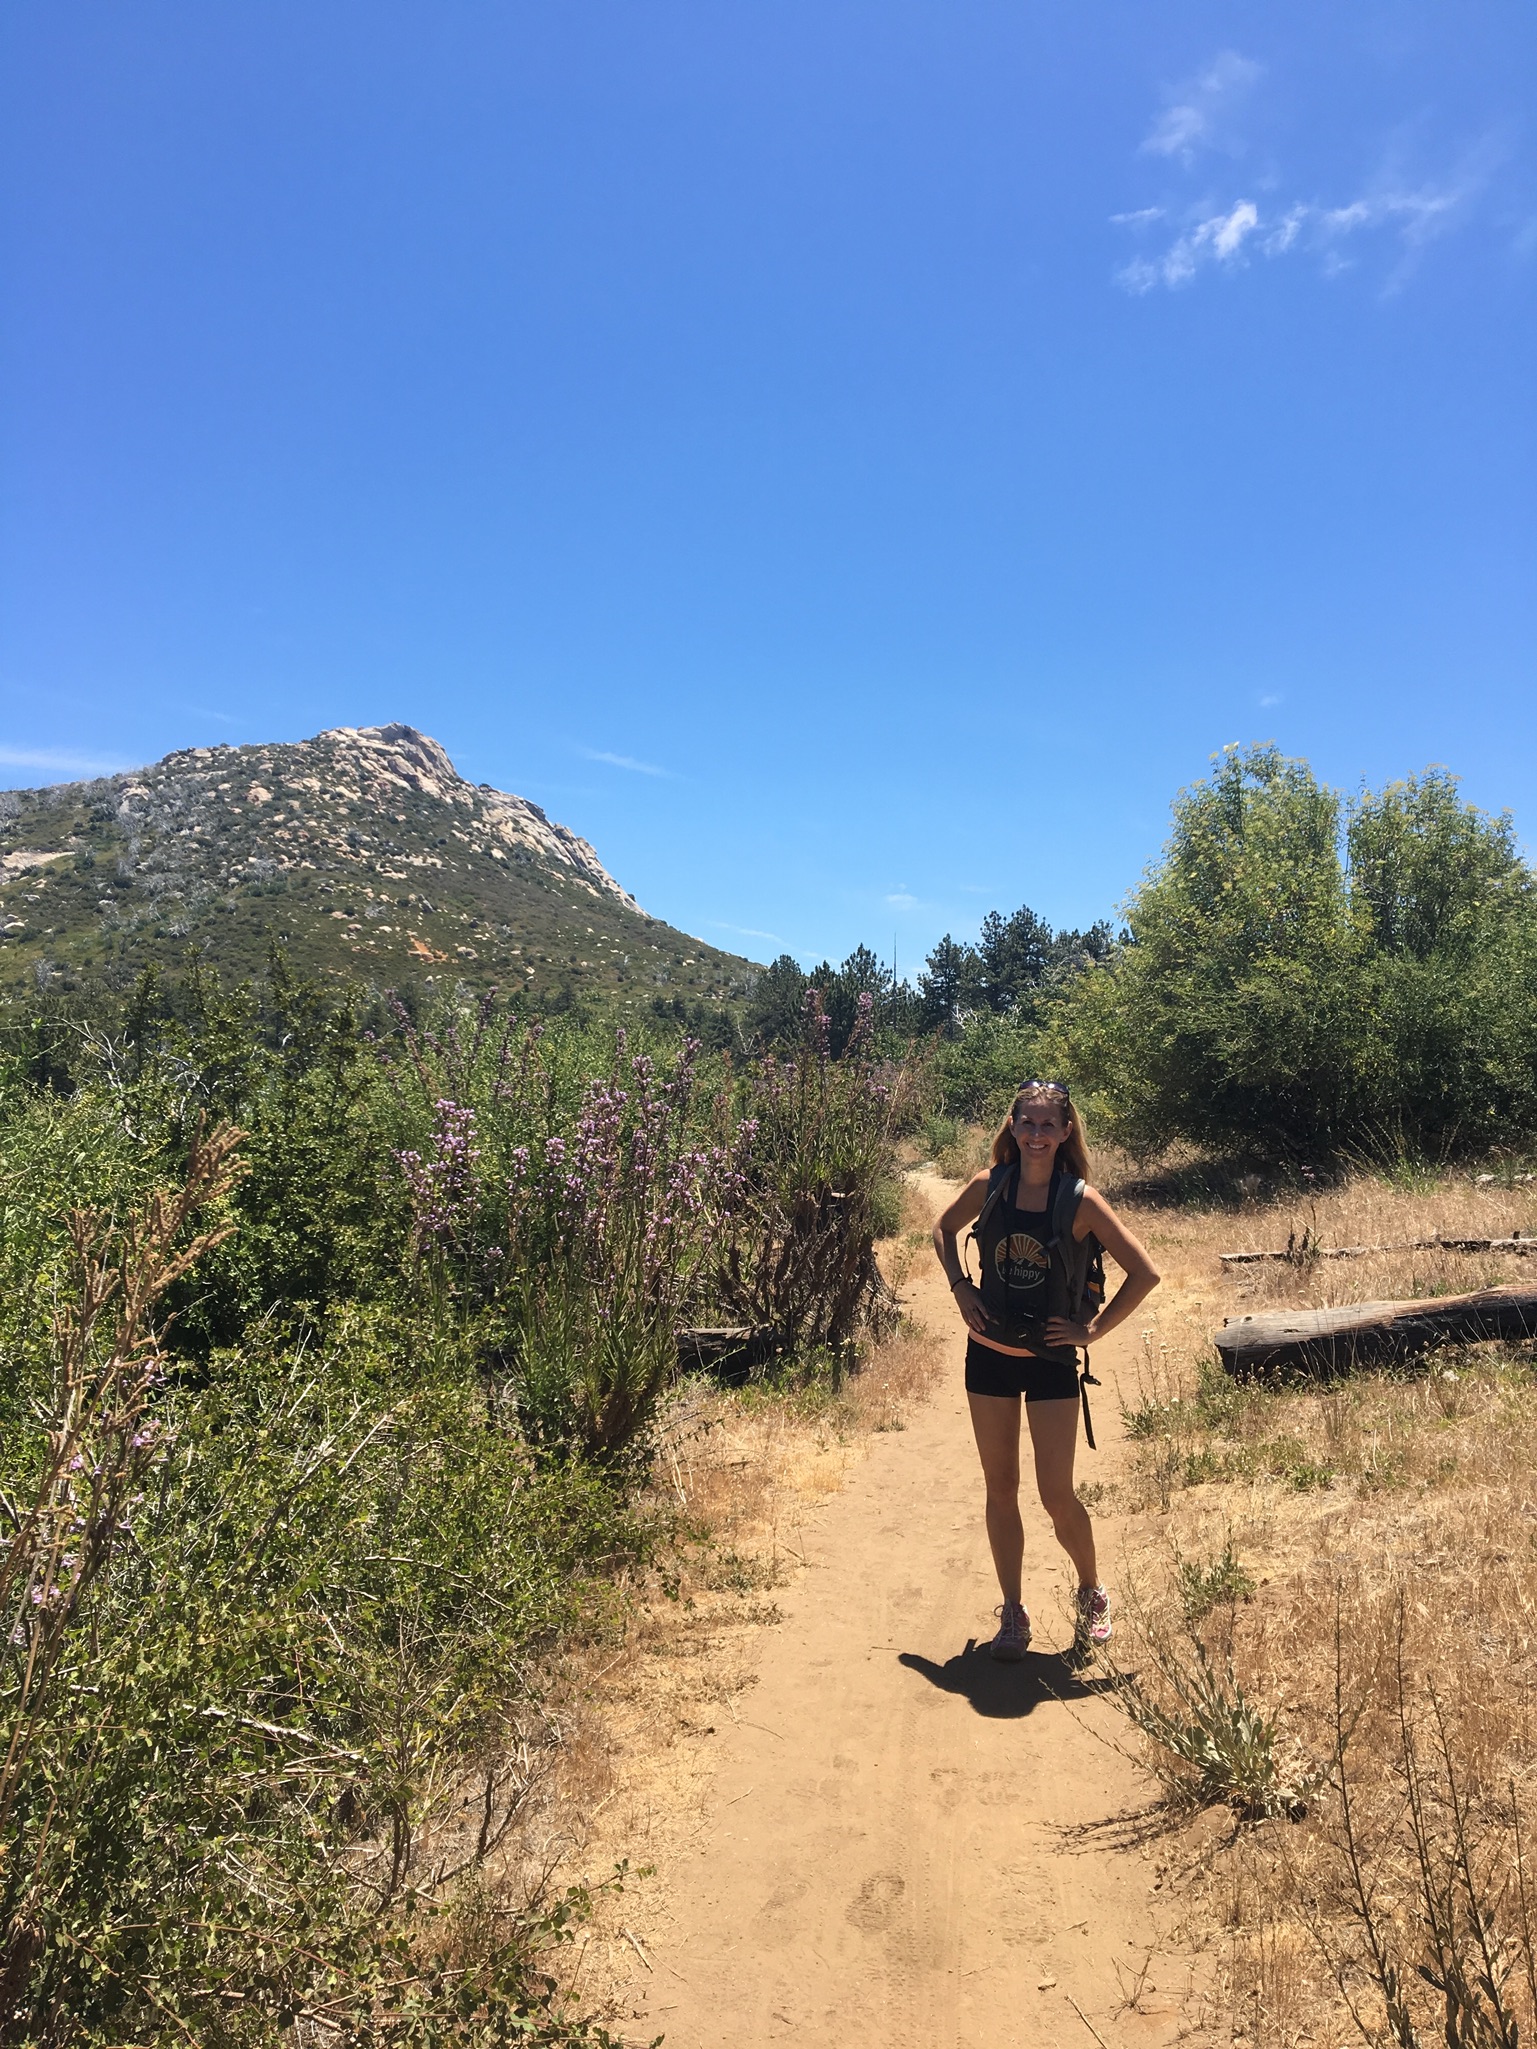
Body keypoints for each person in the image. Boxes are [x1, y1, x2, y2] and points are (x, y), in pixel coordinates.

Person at [932, 1082, 1159, 1662]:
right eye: (1025, 1125)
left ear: (1065, 1133)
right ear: (1012, 1127)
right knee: (1000, 1490)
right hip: (989, 1359)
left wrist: (1092, 1331)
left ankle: (1091, 1590)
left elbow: (1145, 1272)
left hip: (1053, 1364)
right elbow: (941, 1229)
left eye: (1046, 1126)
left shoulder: (1080, 1200)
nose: (1035, 1136)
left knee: (1057, 1495)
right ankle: (1013, 1611)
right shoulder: (990, 1187)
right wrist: (961, 1291)